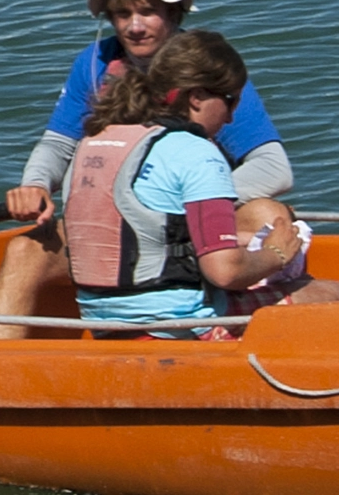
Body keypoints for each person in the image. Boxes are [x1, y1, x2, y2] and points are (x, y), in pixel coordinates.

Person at [0, 0, 289, 323]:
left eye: (147, 11)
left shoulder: (208, 71)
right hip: (114, 228)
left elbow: (274, 168)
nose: (134, 26)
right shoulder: (96, 64)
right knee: (24, 250)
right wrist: (34, 183)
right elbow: (58, 143)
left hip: (189, 221)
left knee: (267, 214)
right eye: (121, 14)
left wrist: (182, 209)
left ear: (174, 11)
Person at [55, 31, 318, 329]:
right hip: (179, 324)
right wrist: (276, 253)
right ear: (196, 97)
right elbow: (225, 273)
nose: (231, 117)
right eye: (230, 101)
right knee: (328, 294)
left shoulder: (95, 141)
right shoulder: (197, 153)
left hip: (102, 320)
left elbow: (152, 238)